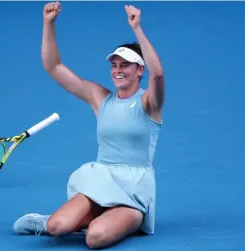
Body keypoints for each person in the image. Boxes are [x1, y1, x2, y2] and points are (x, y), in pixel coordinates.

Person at [13, 2, 165, 249]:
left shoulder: (150, 103)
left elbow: (158, 75)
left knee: (95, 238)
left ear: (140, 70)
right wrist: (48, 24)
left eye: (125, 65)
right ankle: (66, 220)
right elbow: (54, 67)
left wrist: (137, 28)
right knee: (55, 227)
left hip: (133, 193)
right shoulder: (100, 98)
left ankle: (125, 220)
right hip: (100, 180)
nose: (118, 70)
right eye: (114, 65)